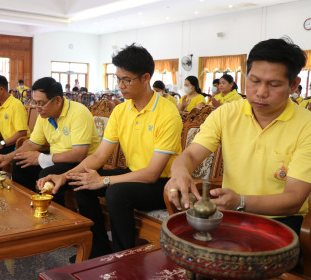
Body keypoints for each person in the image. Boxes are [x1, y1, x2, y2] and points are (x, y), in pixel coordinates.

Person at [37, 44, 182, 258]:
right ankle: (99, 249)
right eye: (118, 79)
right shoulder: (121, 110)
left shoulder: (167, 113)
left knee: (116, 192)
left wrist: (104, 181)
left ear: (145, 78)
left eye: (127, 80)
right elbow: (98, 156)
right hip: (133, 174)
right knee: (80, 182)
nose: (121, 85)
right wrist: (63, 176)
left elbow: (152, 174)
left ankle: (123, 258)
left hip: (162, 184)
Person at [165, 37, 311, 237]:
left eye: (274, 84)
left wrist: (241, 202)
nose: (261, 92)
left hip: (281, 221)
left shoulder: (306, 125)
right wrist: (180, 173)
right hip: (231, 214)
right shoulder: (227, 113)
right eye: (254, 81)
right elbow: (190, 156)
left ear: (294, 85)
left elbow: (294, 198)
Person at [0, 77, 100, 205]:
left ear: (57, 100)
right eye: (35, 102)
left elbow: (79, 154)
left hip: (82, 163)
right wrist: (8, 157)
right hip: (57, 159)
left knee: (48, 174)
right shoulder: (45, 115)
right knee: (20, 164)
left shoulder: (78, 113)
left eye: (41, 103)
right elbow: (32, 143)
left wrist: (43, 158)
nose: (37, 108)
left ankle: (57, 217)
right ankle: (24, 206)